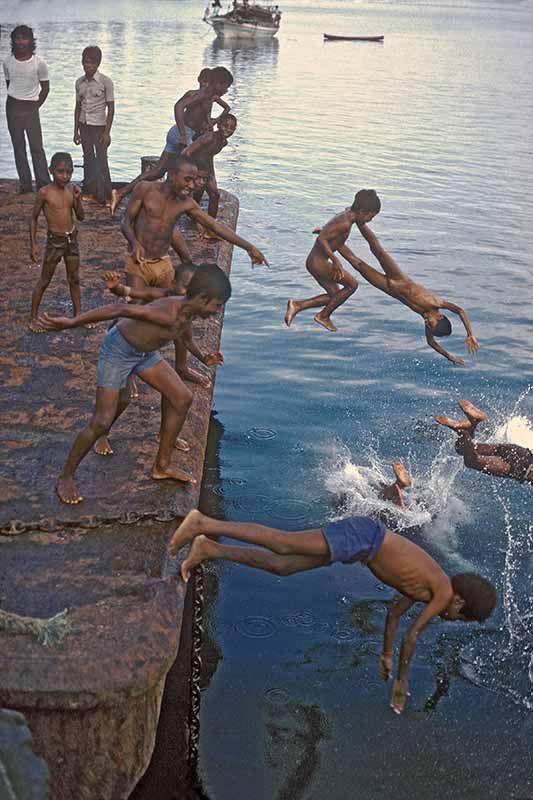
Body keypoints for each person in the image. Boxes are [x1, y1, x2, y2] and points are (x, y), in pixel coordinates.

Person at [168, 507, 496, 714]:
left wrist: (385, 655)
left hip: (361, 547)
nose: (451, 619)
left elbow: (395, 616)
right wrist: (401, 680)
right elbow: (412, 636)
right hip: (364, 537)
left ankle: (209, 548)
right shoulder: (442, 591)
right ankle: (202, 523)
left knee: (283, 566)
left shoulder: (427, 588)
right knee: (283, 543)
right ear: (460, 603)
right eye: (460, 617)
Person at [36, 263, 232, 505]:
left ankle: (162, 465)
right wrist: (71, 322)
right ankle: (66, 476)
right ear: (202, 298)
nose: (218, 311)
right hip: (119, 351)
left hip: (144, 354)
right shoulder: (167, 313)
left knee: (182, 397)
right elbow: (119, 309)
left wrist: (204, 358)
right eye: (217, 305)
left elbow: (186, 337)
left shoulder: (187, 313)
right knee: (102, 420)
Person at [121, 155, 268, 296]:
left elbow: (215, 226)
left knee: (172, 303)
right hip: (138, 262)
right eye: (187, 180)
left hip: (163, 262)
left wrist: (249, 248)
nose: (192, 186)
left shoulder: (187, 203)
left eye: (194, 180)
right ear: (172, 175)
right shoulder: (145, 189)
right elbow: (126, 222)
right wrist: (134, 244)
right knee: (135, 304)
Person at [343, 221, 480, 364]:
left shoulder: (425, 316)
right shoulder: (436, 302)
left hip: (389, 289)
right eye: (431, 324)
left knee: (358, 265)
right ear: (440, 317)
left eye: (429, 327)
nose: (427, 325)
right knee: (378, 251)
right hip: (399, 278)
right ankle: (359, 222)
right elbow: (460, 310)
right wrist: (470, 334)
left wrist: (450, 357)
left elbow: (431, 343)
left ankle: (333, 242)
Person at [284, 189, 381, 332]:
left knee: (335, 296)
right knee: (352, 285)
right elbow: (321, 239)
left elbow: (330, 230)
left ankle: (297, 305)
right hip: (319, 263)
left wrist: (324, 230)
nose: (370, 220)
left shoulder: (347, 213)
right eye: (370, 216)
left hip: (314, 262)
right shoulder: (345, 223)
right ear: (361, 211)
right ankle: (323, 316)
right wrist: (335, 260)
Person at [29, 152, 85, 332]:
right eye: (60, 172)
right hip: (55, 241)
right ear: (51, 171)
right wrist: (34, 244)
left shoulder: (72, 190)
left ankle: (78, 316)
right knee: (44, 280)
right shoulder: (44, 192)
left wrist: (78, 199)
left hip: (71, 240)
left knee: (74, 279)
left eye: (69, 172)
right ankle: (33, 318)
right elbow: (33, 219)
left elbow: (81, 217)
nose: (65, 176)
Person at [435, 399, 533, 484]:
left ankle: (472, 425)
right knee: (471, 461)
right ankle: (464, 431)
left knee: (463, 449)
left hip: (522, 452)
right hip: (522, 467)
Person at [3, 25, 50, 194]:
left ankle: (44, 184)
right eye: (18, 38)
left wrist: (35, 105)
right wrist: (17, 100)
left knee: (37, 148)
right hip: (12, 107)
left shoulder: (39, 63)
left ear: (31, 41)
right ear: (13, 41)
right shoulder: (7, 62)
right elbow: (10, 84)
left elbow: (45, 89)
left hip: (31, 108)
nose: (21, 42)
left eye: (25, 38)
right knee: (18, 147)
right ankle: (25, 184)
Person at [74, 46, 115, 206]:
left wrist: (107, 133)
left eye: (91, 62)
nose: (88, 65)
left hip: (99, 127)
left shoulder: (105, 82)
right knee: (88, 158)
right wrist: (75, 131)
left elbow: (111, 109)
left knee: (101, 159)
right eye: (85, 62)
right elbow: (78, 107)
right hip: (84, 126)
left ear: (98, 64)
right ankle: (90, 192)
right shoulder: (79, 82)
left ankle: (106, 194)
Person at [182, 113, 237, 222]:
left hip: (206, 168)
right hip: (195, 167)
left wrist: (211, 174)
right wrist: (195, 172)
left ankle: (211, 224)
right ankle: (193, 220)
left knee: (214, 194)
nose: (228, 130)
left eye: (231, 128)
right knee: (197, 194)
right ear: (218, 125)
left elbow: (209, 156)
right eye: (225, 126)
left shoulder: (223, 142)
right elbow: (186, 152)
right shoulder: (209, 137)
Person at [174, 66, 233, 151]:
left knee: (167, 158)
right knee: (191, 155)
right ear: (218, 84)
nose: (226, 90)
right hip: (185, 133)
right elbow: (179, 106)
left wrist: (213, 121)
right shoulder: (201, 95)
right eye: (226, 87)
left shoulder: (210, 96)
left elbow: (204, 113)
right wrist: (183, 134)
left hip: (190, 133)